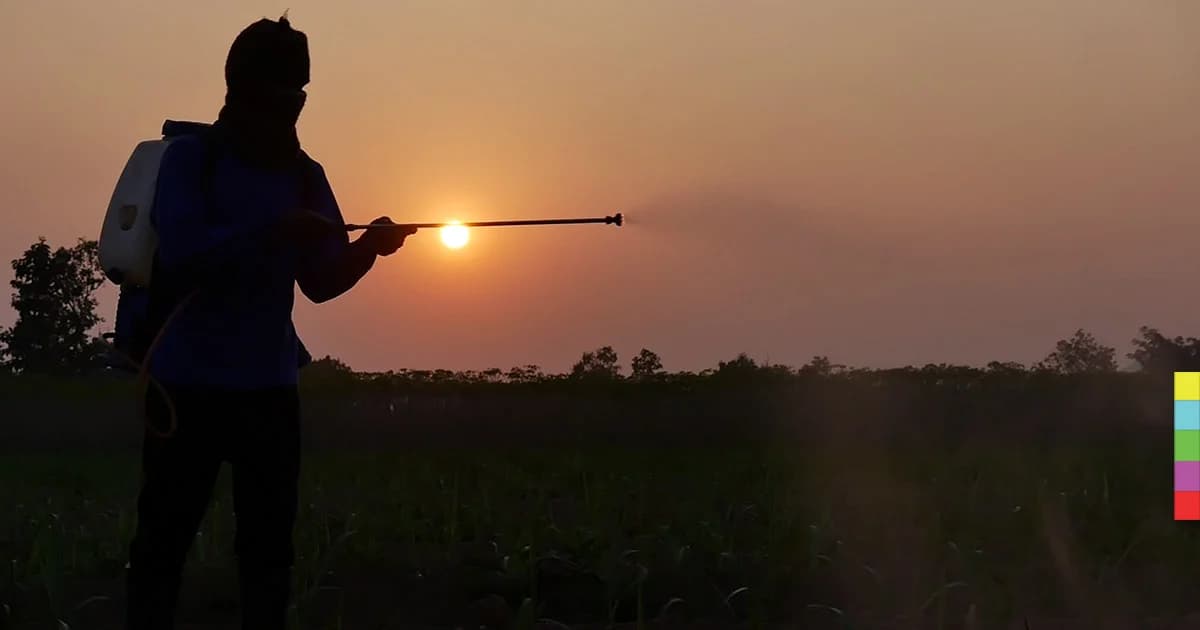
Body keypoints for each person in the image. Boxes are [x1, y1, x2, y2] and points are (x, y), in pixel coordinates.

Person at [124, 16, 413, 630]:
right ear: (238, 89)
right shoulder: (189, 160)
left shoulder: (306, 176)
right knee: (161, 546)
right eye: (278, 93)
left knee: (268, 556)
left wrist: (369, 247)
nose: (291, 106)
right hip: (185, 388)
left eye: (298, 94)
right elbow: (183, 252)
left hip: (270, 391)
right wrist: (271, 233)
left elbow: (321, 282)